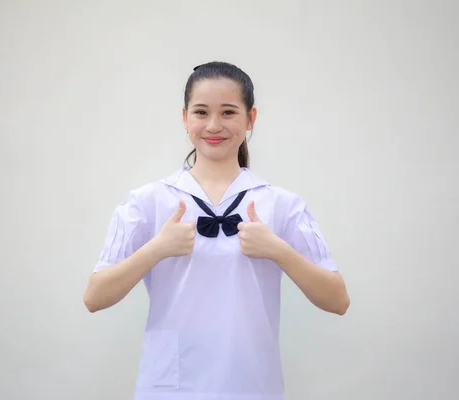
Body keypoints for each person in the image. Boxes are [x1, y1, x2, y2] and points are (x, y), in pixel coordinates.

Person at [83, 61, 350, 400]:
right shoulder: (147, 201)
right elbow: (94, 297)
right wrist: (158, 248)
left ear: (250, 119)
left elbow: (338, 299)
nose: (213, 125)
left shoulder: (282, 205)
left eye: (228, 113)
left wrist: (278, 250)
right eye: (200, 112)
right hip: (169, 386)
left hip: (253, 385)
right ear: (184, 118)